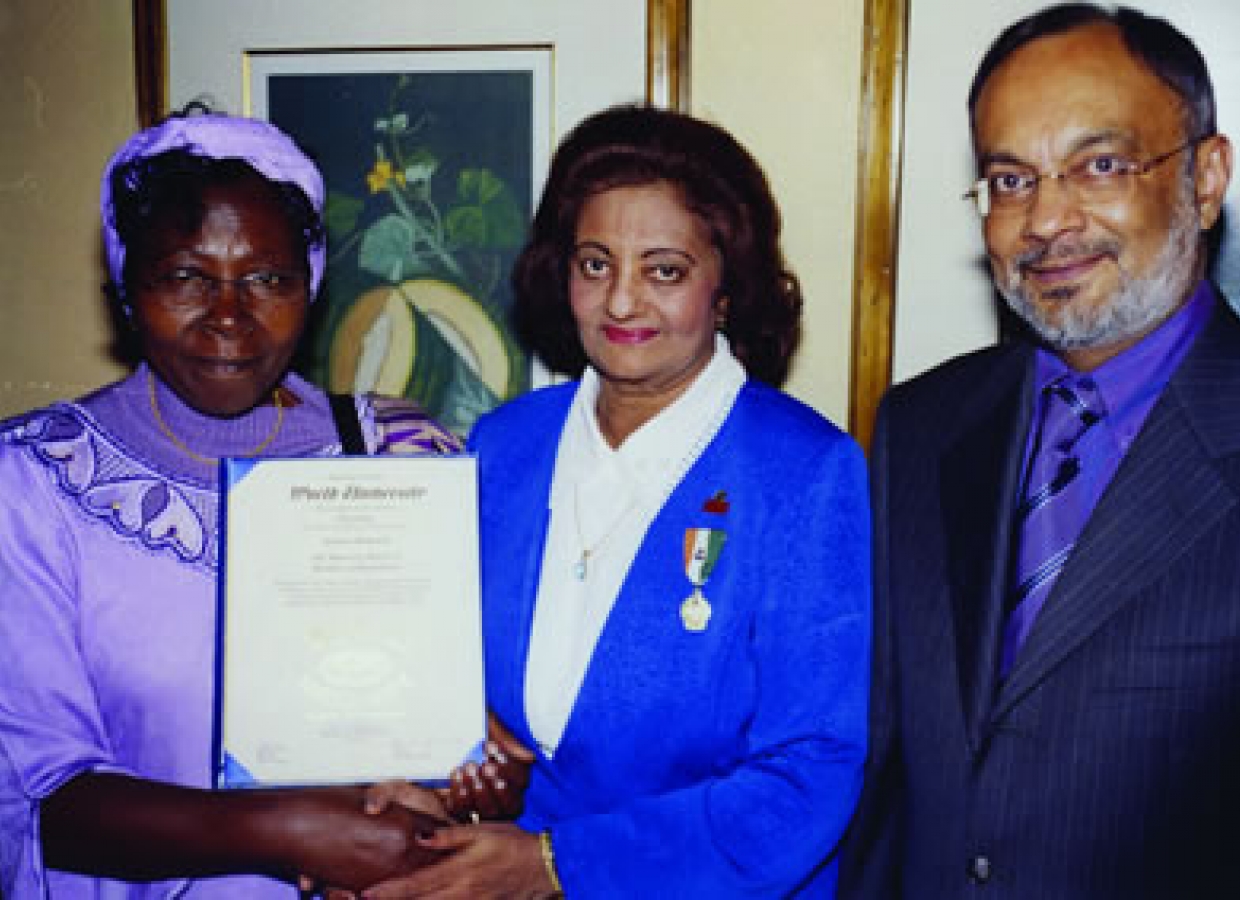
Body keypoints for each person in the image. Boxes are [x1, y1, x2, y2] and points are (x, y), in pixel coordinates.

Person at [353, 103, 872, 899]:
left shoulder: (807, 472)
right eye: (595, 264)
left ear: (726, 287)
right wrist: (436, 758)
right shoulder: (503, 444)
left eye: (664, 270)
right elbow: (441, 673)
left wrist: (558, 866)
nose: (622, 302)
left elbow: (811, 774)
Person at [0, 110, 519, 898]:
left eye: (269, 279)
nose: (230, 316)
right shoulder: (34, 482)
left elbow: (439, 747)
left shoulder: (396, 451)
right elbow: (44, 805)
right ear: (126, 289)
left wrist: (473, 787)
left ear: (309, 285)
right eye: (184, 277)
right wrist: (298, 829)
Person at [841, 4, 1240, 899]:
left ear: (1205, 177)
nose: (1045, 221)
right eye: (1009, 180)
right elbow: (884, 774)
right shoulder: (919, 429)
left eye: (1100, 166)